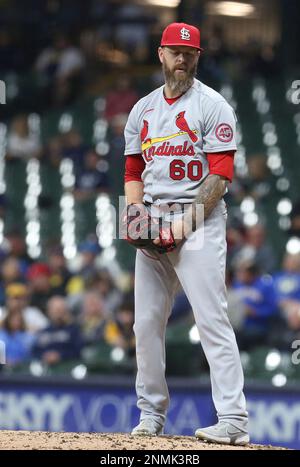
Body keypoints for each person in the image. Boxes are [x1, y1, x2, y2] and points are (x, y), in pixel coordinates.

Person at [123, 22, 249, 445]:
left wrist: (181, 226)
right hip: (155, 217)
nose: (182, 58)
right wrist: (136, 215)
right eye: (175, 51)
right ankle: (150, 414)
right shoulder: (142, 110)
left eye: (190, 53)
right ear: (160, 53)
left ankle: (233, 419)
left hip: (199, 222)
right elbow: (133, 171)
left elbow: (221, 176)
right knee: (145, 324)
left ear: (198, 57)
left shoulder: (213, 105)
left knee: (212, 320)